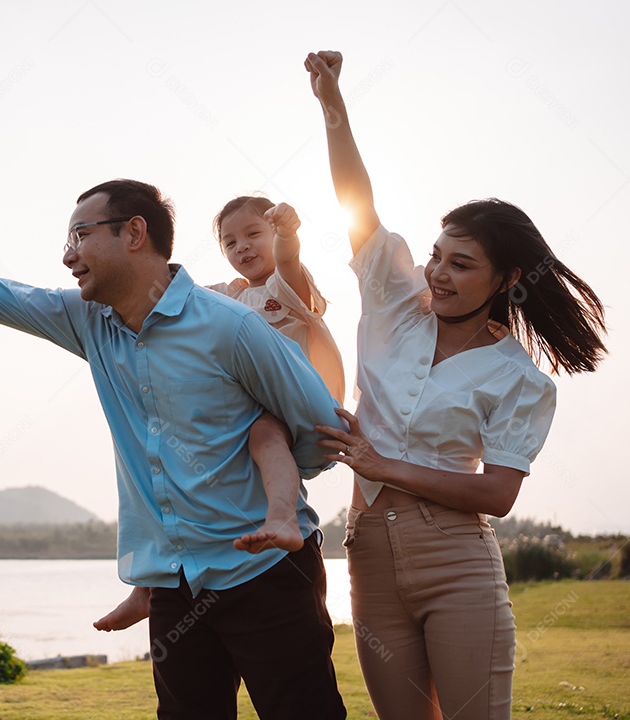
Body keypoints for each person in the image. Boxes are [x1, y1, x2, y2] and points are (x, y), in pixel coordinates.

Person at [0, 179, 349, 719]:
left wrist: (266, 464)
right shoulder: (89, 323)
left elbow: (322, 431)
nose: (68, 256)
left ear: (134, 233)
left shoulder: (232, 326)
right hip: (175, 582)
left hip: (266, 572)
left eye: (80, 236)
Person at [305, 50, 607, 720]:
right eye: (437, 255)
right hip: (367, 556)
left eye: (461, 264)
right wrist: (331, 99)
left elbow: (498, 493)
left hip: (456, 561)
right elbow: (356, 197)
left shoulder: (519, 379)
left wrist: (384, 464)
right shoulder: (391, 299)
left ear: (504, 280)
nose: (438, 272)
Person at [94, 197, 346, 634]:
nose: (242, 247)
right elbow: (173, 298)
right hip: (241, 401)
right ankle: (147, 586)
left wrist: (287, 235)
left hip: (289, 402)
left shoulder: (285, 287)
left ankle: (283, 516)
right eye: (230, 242)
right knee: (155, 458)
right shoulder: (227, 293)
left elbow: (289, 262)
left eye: (254, 235)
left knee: (266, 436)